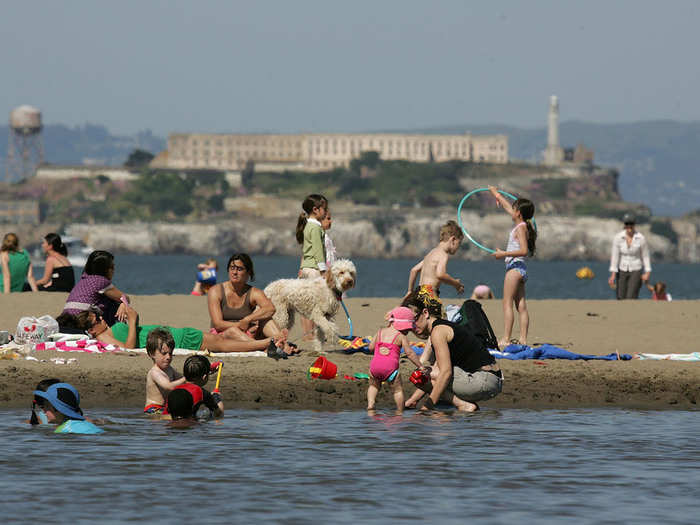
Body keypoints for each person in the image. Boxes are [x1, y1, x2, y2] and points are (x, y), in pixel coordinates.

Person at [403, 289, 503, 412]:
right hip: (492, 379)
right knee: (422, 374)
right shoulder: (441, 326)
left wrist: (426, 408)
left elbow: (445, 374)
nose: (413, 327)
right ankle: (464, 404)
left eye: (415, 320)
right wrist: (412, 401)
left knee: (421, 374)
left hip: (484, 381)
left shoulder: (438, 332)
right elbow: (435, 372)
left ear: (425, 313)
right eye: (410, 324)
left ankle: (463, 405)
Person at [74, 302, 277, 354]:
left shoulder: (106, 330)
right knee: (223, 345)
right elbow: (128, 348)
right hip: (176, 341)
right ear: (91, 330)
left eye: (99, 315)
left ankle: (264, 345)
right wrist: (133, 321)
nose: (102, 319)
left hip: (175, 334)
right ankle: (265, 344)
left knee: (228, 335)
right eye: (97, 320)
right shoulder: (103, 338)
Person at [208, 253, 298, 354]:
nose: (235, 272)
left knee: (266, 319)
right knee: (233, 331)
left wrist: (248, 319)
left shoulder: (253, 292)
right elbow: (218, 324)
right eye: (232, 268)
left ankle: (283, 345)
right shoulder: (216, 291)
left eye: (239, 269)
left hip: (247, 332)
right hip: (224, 335)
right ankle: (264, 347)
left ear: (248, 273)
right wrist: (240, 324)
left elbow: (270, 309)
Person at [488, 186, 537, 347]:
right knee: (520, 305)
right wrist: (496, 194)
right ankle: (523, 339)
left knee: (507, 303)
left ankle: (506, 338)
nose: (511, 211)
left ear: (519, 213)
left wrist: (503, 254)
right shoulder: (522, 224)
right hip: (521, 270)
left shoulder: (520, 228)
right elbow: (508, 207)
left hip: (514, 268)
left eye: (514, 209)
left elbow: (523, 250)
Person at [367, 306, 426, 413]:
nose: (408, 331)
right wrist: (420, 366)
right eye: (408, 329)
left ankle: (370, 405)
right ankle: (399, 411)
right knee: (397, 390)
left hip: (374, 367)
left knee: (374, 386)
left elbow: (370, 347)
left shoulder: (380, 332)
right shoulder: (401, 337)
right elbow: (410, 353)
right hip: (390, 370)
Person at [61, 250, 130, 325]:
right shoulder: (101, 281)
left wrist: (122, 302)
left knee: (106, 301)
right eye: (112, 267)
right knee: (113, 304)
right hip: (81, 321)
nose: (114, 270)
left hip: (66, 320)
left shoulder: (84, 279)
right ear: (104, 269)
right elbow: (124, 297)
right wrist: (123, 304)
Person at [296, 194, 329, 341]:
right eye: (324, 209)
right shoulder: (315, 227)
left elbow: (306, 250)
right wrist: (323, 270)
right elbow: (317, 250)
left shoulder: (308, 226)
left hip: (306, 268)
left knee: (306, 304)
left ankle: (308, 334)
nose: (326, 212)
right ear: (316, 210)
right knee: (315, 304)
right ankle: (313, 335)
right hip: (314, 270)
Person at [404, 220, 464, 300]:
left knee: (423, 312)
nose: (458, 248)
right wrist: (456, 284)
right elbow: (440, 275)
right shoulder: (443, 254)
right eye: (458, 243)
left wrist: (410, 291)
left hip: (419, 292)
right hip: (429, 294)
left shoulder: (431, 253)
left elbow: (414, 270)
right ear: (453, 240)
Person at [608, 213, 652, 300]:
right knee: (620, 296)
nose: (629, 227)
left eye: (631, 224)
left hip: (636, 268)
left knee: (631, 296)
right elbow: (615, 257)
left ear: (634, 225)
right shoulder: (618, 237)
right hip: (622, 269)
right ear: (624, 225)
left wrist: (647, 273)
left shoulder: (640, 238)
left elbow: (645, 256)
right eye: (627, 224)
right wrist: (613, 275)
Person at [32, 382, 104, 434]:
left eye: (47, 407)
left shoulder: (62, 430)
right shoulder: (87, 424)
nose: (44, 411)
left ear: (58, 408)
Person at [144, 328, 186, 414]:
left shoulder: (169, 369)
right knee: (175, 419)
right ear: (152, 354)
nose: (168, 357)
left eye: (170, 353)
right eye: (164, 353)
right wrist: (187, 378)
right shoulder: (155, 372)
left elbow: (182, 379)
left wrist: (197, 373)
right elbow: (169, 386)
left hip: (164, 408)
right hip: (153, 409)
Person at [180, 354, 224, 419]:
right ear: (204, 377)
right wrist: (216, 398)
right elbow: (218, 414)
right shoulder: (203, 394)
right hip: (191, 424)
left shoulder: (178, 389)